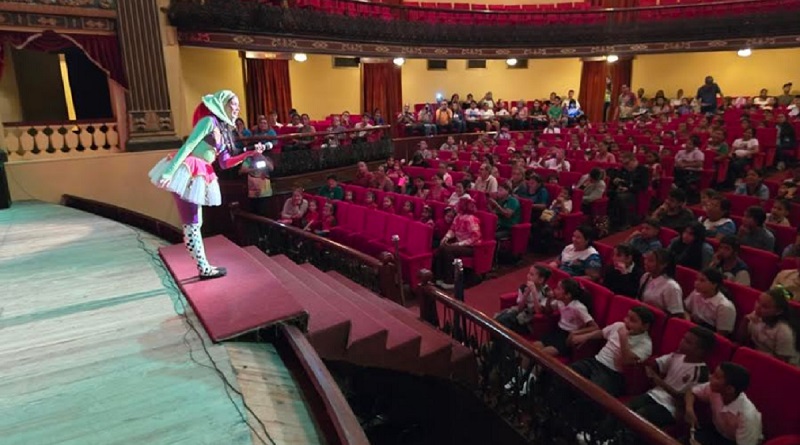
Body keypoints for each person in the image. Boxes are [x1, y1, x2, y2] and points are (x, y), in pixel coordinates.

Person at [149, 90, 263, 279]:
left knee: (194, 222)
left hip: (200, 171)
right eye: (233, 104)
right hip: (189, 170)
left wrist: (249, 154)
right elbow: (188, 146)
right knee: (193, 221)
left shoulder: (224, 129)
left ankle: (202, 265)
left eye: (237, 105)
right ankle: (203, 267)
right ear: (222, 104)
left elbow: (225, 162)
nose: (237, 108)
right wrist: (169, 173)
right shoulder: (208, 122)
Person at [622, 327, 715, 431]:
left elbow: (682, 400)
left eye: (688, 342)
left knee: (640, 416)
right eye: (683, 338)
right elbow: (656, 363)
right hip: (654, 395)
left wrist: (660, 382)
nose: (682, 342)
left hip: (669, 408)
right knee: (625, 408)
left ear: (700, 351)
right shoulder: (677, 355)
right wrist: (647, 366)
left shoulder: (700, 372)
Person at [568, 306, 655, 397]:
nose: (626, 321)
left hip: (613, 374)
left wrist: (623, 338)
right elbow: (602, 333)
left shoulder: (646, 344)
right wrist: (584, 337)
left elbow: (627, 361)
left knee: (590, 394)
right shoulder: (619, 325)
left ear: (645, 326)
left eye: (632, 320)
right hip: (595, 361)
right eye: (627, 317)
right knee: (568, 374)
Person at [684, 362, 762, 445]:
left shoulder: (747, 416)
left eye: (716, 377)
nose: (710, 377)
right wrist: (689, 409)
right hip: (716, 432)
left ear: (729, 389)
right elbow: (691, 391)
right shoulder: (715, 390)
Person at [532, 278, 598, 357]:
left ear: (567, 295)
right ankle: (523, 369)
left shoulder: (578, 307)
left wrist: (575, 332)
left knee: (544, 354)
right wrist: (549, 298)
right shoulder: (560, 302)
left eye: (558, 289)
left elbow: (595, 327)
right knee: (534, 346)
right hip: (558, 331)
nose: (555, 290)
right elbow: (548, 311)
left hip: (568, 336)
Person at [738, 287, 800, 365]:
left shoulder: (784, 331)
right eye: (758, 301)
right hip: (758, 358)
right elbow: (741, 341)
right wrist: (745, 321)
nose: (758, 307)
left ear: (778, 311)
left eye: (765, 306)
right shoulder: (756, 315)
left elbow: (781, 363)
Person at [434, 197, 481, 290]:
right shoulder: (458, 217)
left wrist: (459, 244)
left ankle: (450, 281)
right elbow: (452, 229)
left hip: (470, 247)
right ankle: (439, 277)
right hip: (459, 243)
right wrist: (446, 237)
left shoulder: (471, 219)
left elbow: (475, 237)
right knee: (442, 247)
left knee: (448, 250)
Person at [494, 265, 553, 334]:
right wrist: (526, 293)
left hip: (531, 320)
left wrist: (534, 292)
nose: (528, 276)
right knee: (499, 319)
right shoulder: (523, 287)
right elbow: (519, 308)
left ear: (541, 280)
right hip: (521, 312)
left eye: (532, 275)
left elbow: (538, 311)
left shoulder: (546, 291)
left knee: (504, 322)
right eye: (529, 273)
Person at [684, 268, 737, 337]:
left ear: (714, 284)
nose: (696, 283)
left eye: (702, 280)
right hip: (693, 329)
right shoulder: (696, 293)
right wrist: (688, 322)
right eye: (696, 279)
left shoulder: (725, 307)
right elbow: (686, 309)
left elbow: (721, 336)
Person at [239, 148, 274, 216]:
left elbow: (271, 168)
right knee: (254, 213)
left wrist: (263, 158)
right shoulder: (249, 159)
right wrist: (254, 168)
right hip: (253, 192)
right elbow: (242, 170)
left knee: (264, 212)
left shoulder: (266, 158)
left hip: (265, 192)